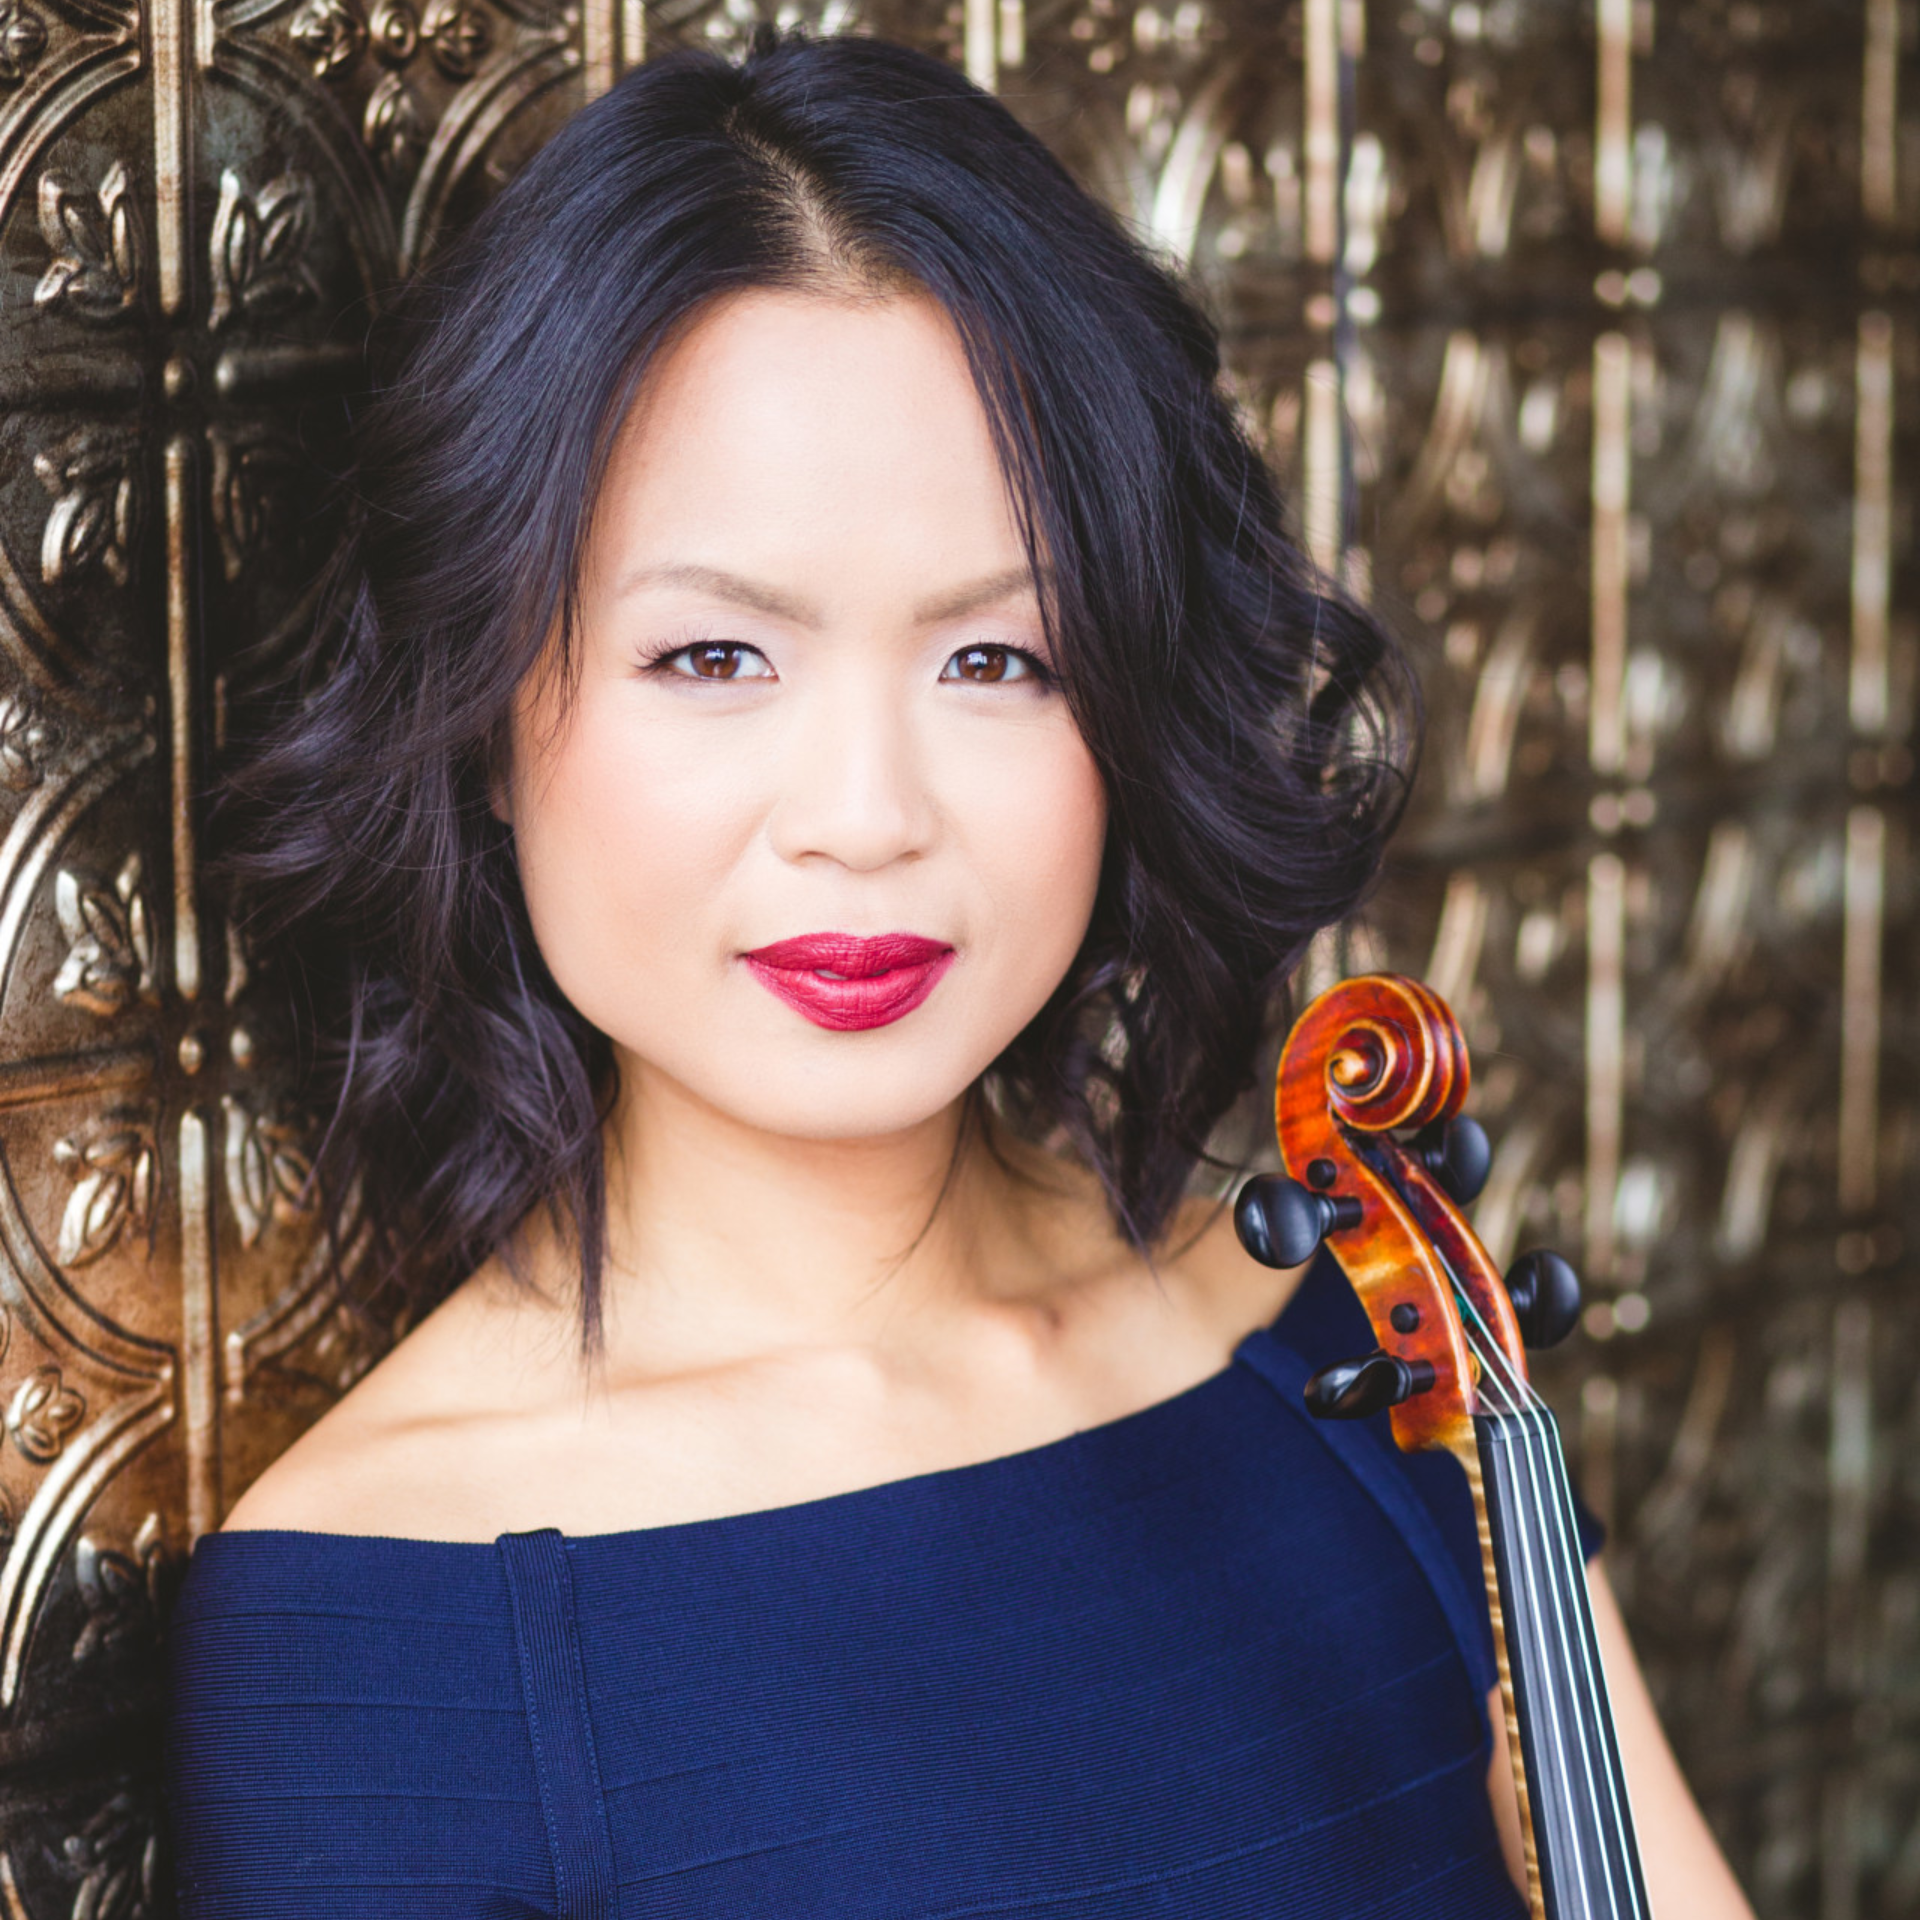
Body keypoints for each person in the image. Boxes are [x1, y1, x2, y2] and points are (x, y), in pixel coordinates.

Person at [164, 29, 1752, 1919]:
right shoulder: (372, 1637)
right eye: (715, 658)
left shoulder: (1337, 1343)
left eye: (996, 660)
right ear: (486, 712)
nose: (866, 817)